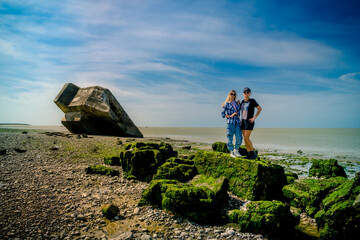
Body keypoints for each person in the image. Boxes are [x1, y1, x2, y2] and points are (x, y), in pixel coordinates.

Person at [240, 87, 262, 159]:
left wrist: (254, 117)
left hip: (249, 121)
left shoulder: (252, 100)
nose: (246, 93)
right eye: (244, 92)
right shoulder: (242, 102)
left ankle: (253, 153)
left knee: (246, 138)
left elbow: (259, 108)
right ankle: (249, 153)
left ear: (249, 93)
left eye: (247, 92)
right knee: (244, 138)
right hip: (243, 121)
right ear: (243, 93)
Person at [221, 90, 242, 158]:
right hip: (230, 122)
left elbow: (240, 112)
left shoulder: (237, 103)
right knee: (230, 138)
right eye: (231, 94)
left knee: (239, 137)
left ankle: (236, 150)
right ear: (229, 95)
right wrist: (231, 115)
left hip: (237, 122)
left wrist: (239, 104)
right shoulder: (227, 103)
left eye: (234, 94)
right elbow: (223, 114)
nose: (232, 95)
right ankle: (231, 152)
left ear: (235, 96)